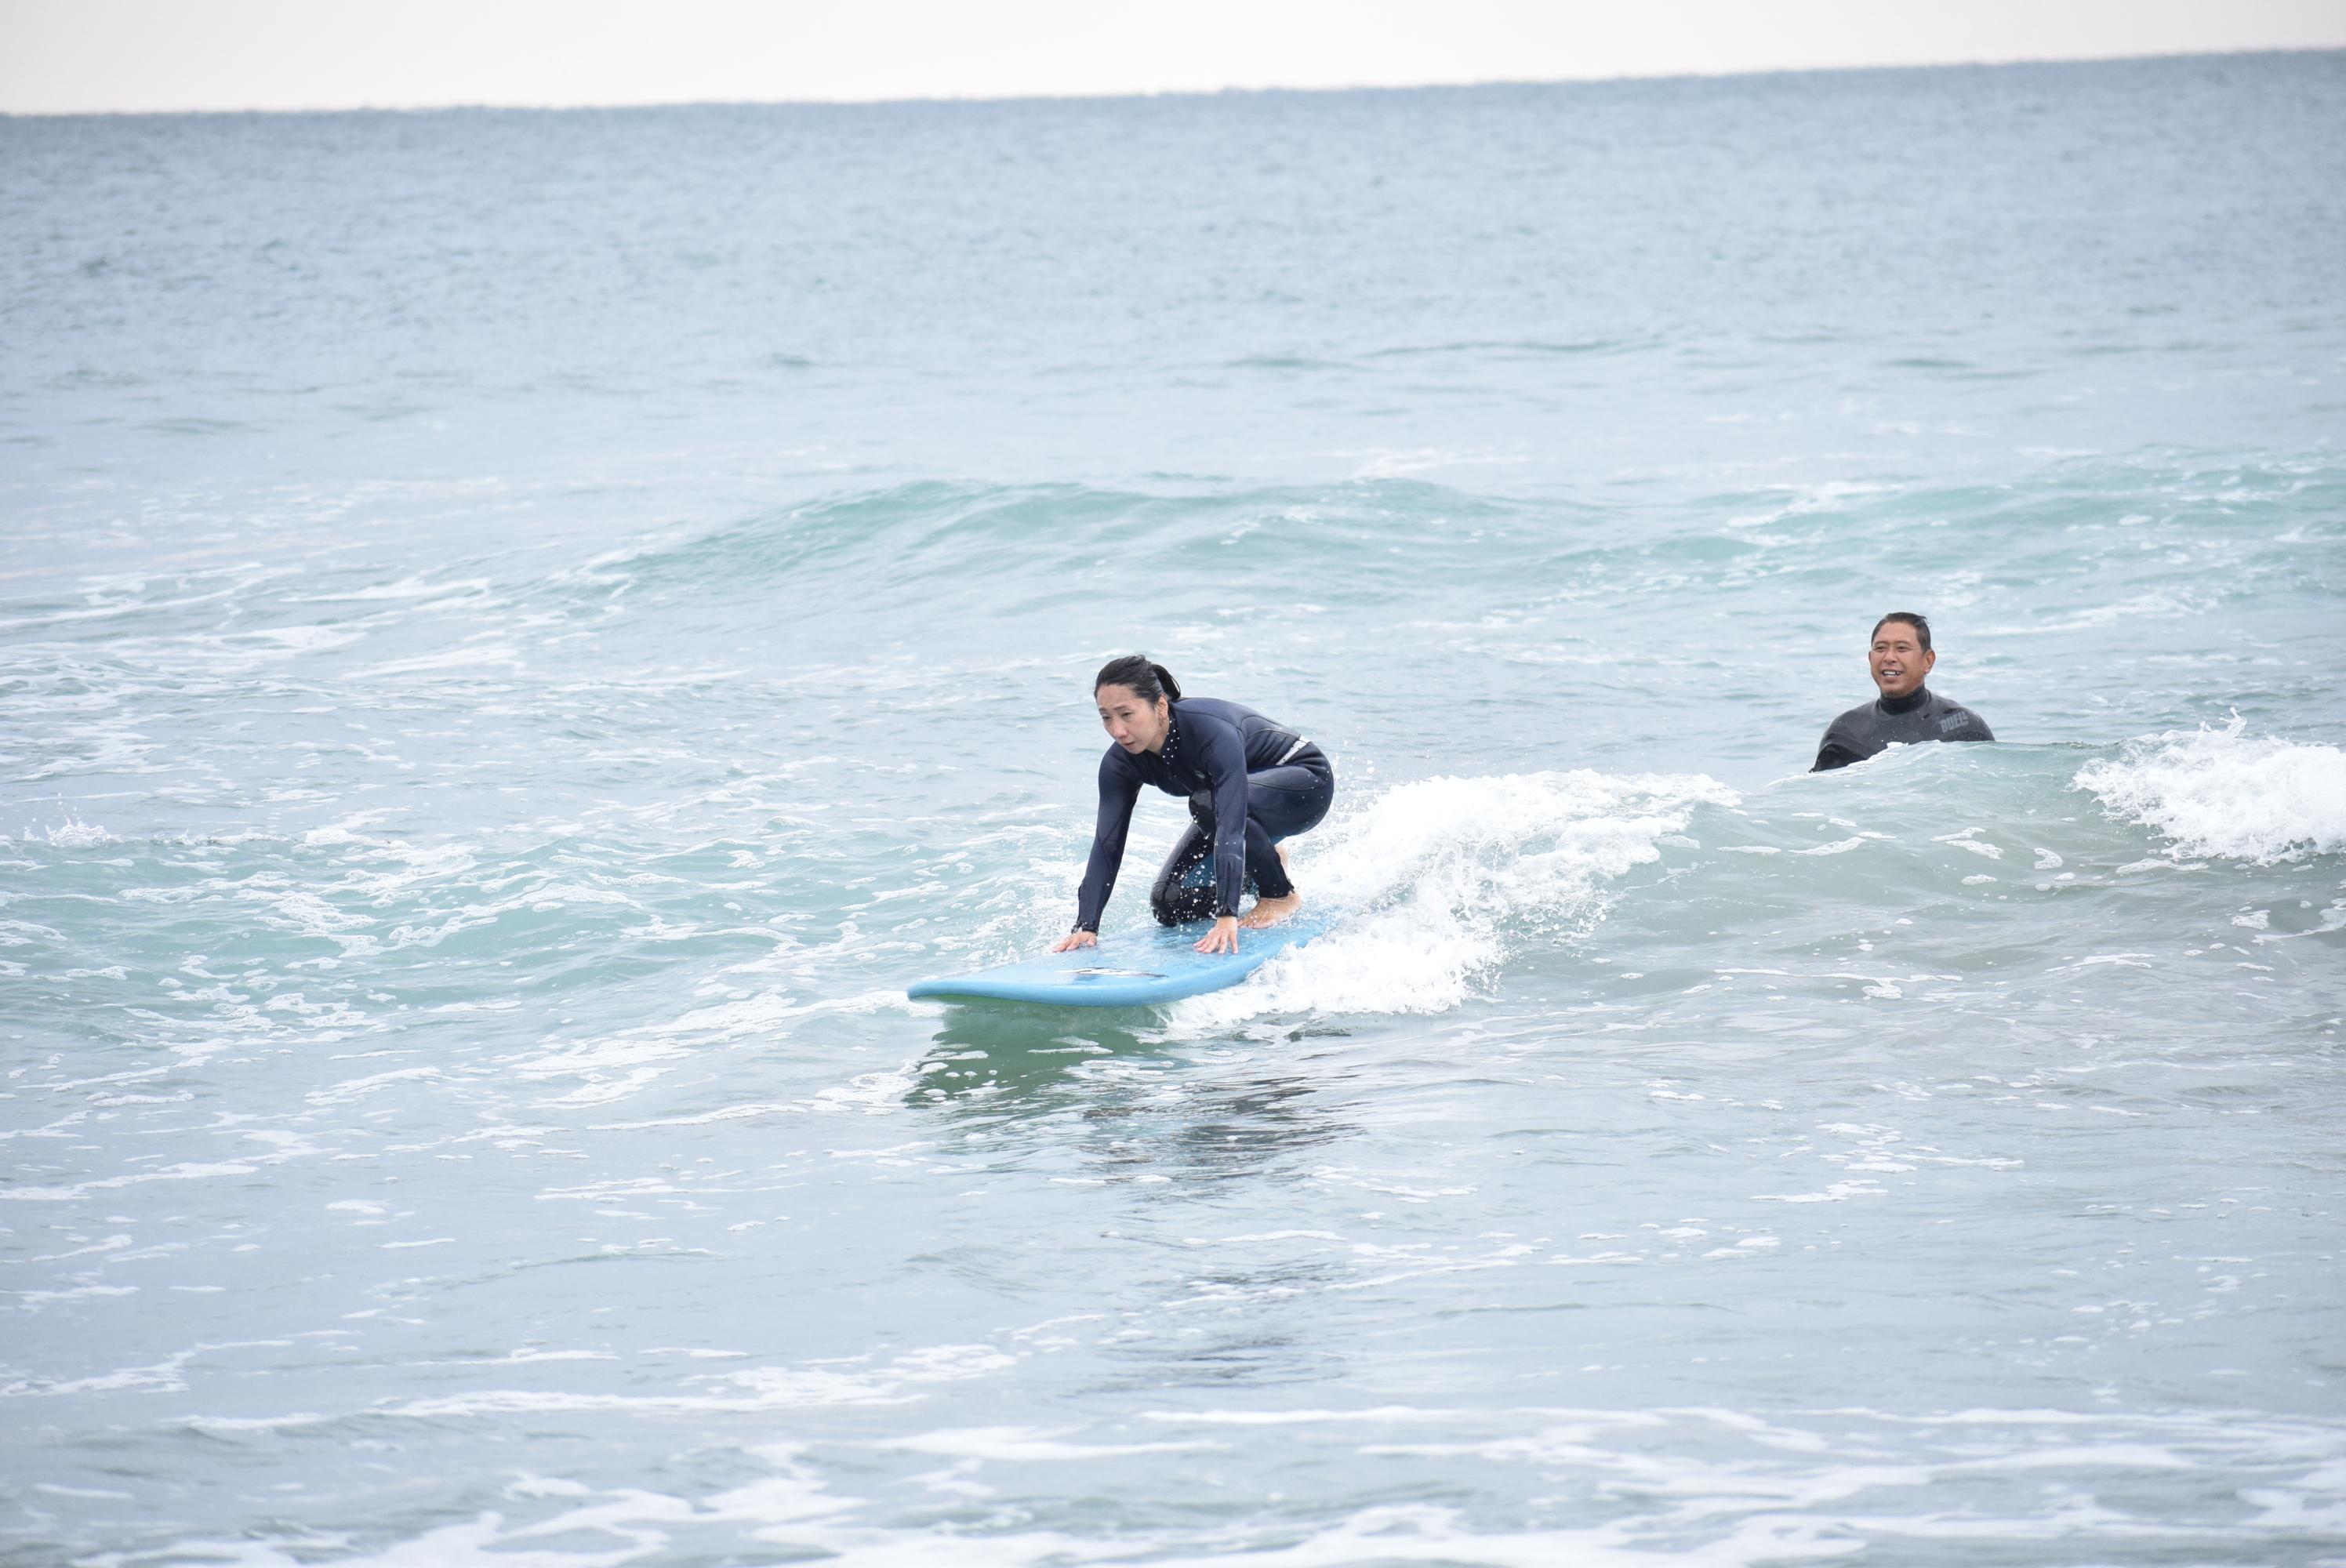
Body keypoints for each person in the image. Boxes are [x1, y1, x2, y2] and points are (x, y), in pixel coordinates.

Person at [1051, 655, 1335, 956]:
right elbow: (1107, 844)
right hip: (1228, 804)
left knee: (1206, 804)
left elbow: (1227, 820)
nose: (1118, 730)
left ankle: (1279, 894)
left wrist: (1228, 914)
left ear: (1160, 706)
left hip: (1306, 784)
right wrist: (1086, 925)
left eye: (1126, 714)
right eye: (1107, 717)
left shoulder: (1209, 731)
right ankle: (1261, 864)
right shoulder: (1119, 764)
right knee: (1168, 902)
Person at [1812, 612, 1994, 771]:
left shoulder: (1961, 725)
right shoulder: (1845, 733)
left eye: (1902, 648)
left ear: (1928, 661)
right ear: (1870, 658)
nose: (1889, 657)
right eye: (1881, 648)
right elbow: (1823, 799)